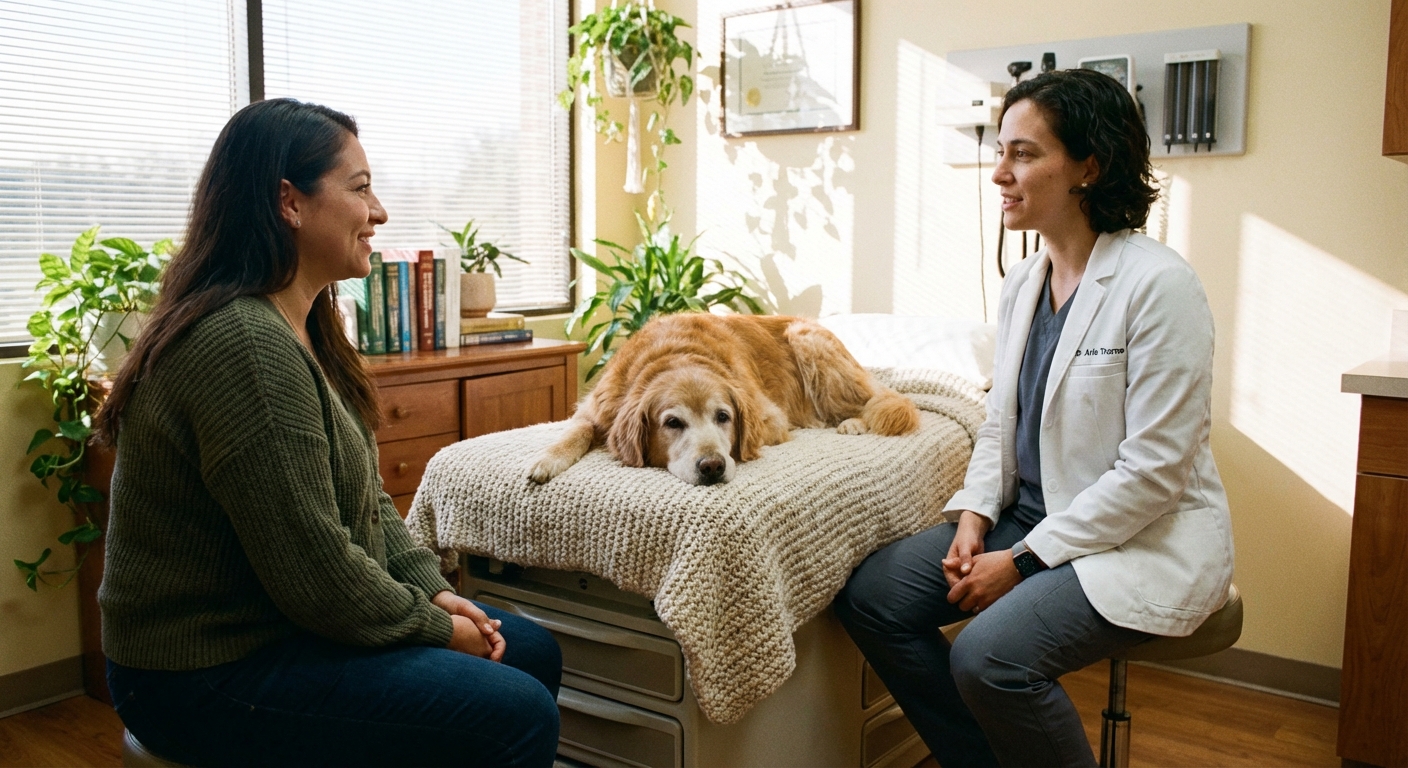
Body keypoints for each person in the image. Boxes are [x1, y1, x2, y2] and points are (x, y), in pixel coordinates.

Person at [92, 98, 562, 768]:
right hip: (200, 676)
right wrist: (437, 629)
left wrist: (432, 589)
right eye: (361, 188)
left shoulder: (305, 328)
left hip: (280, 633)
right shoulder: (243, 345)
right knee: (512, 710)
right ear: (290, 201)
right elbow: (315, 571)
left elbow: (366, 503)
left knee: (532, 651)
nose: (380, 213)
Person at [833, 69, 1234, 767]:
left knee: (989, 659)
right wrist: (973, 518)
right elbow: (1000, 422)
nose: (999, 174)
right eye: (1000, 152)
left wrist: (1018, 562)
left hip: (1137, 538)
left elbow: (1153, 475)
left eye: (1023, 154)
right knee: (873, 597)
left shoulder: (1158, 285)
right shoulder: (1024, 281)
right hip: (1029, 518)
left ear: (1089, 166)